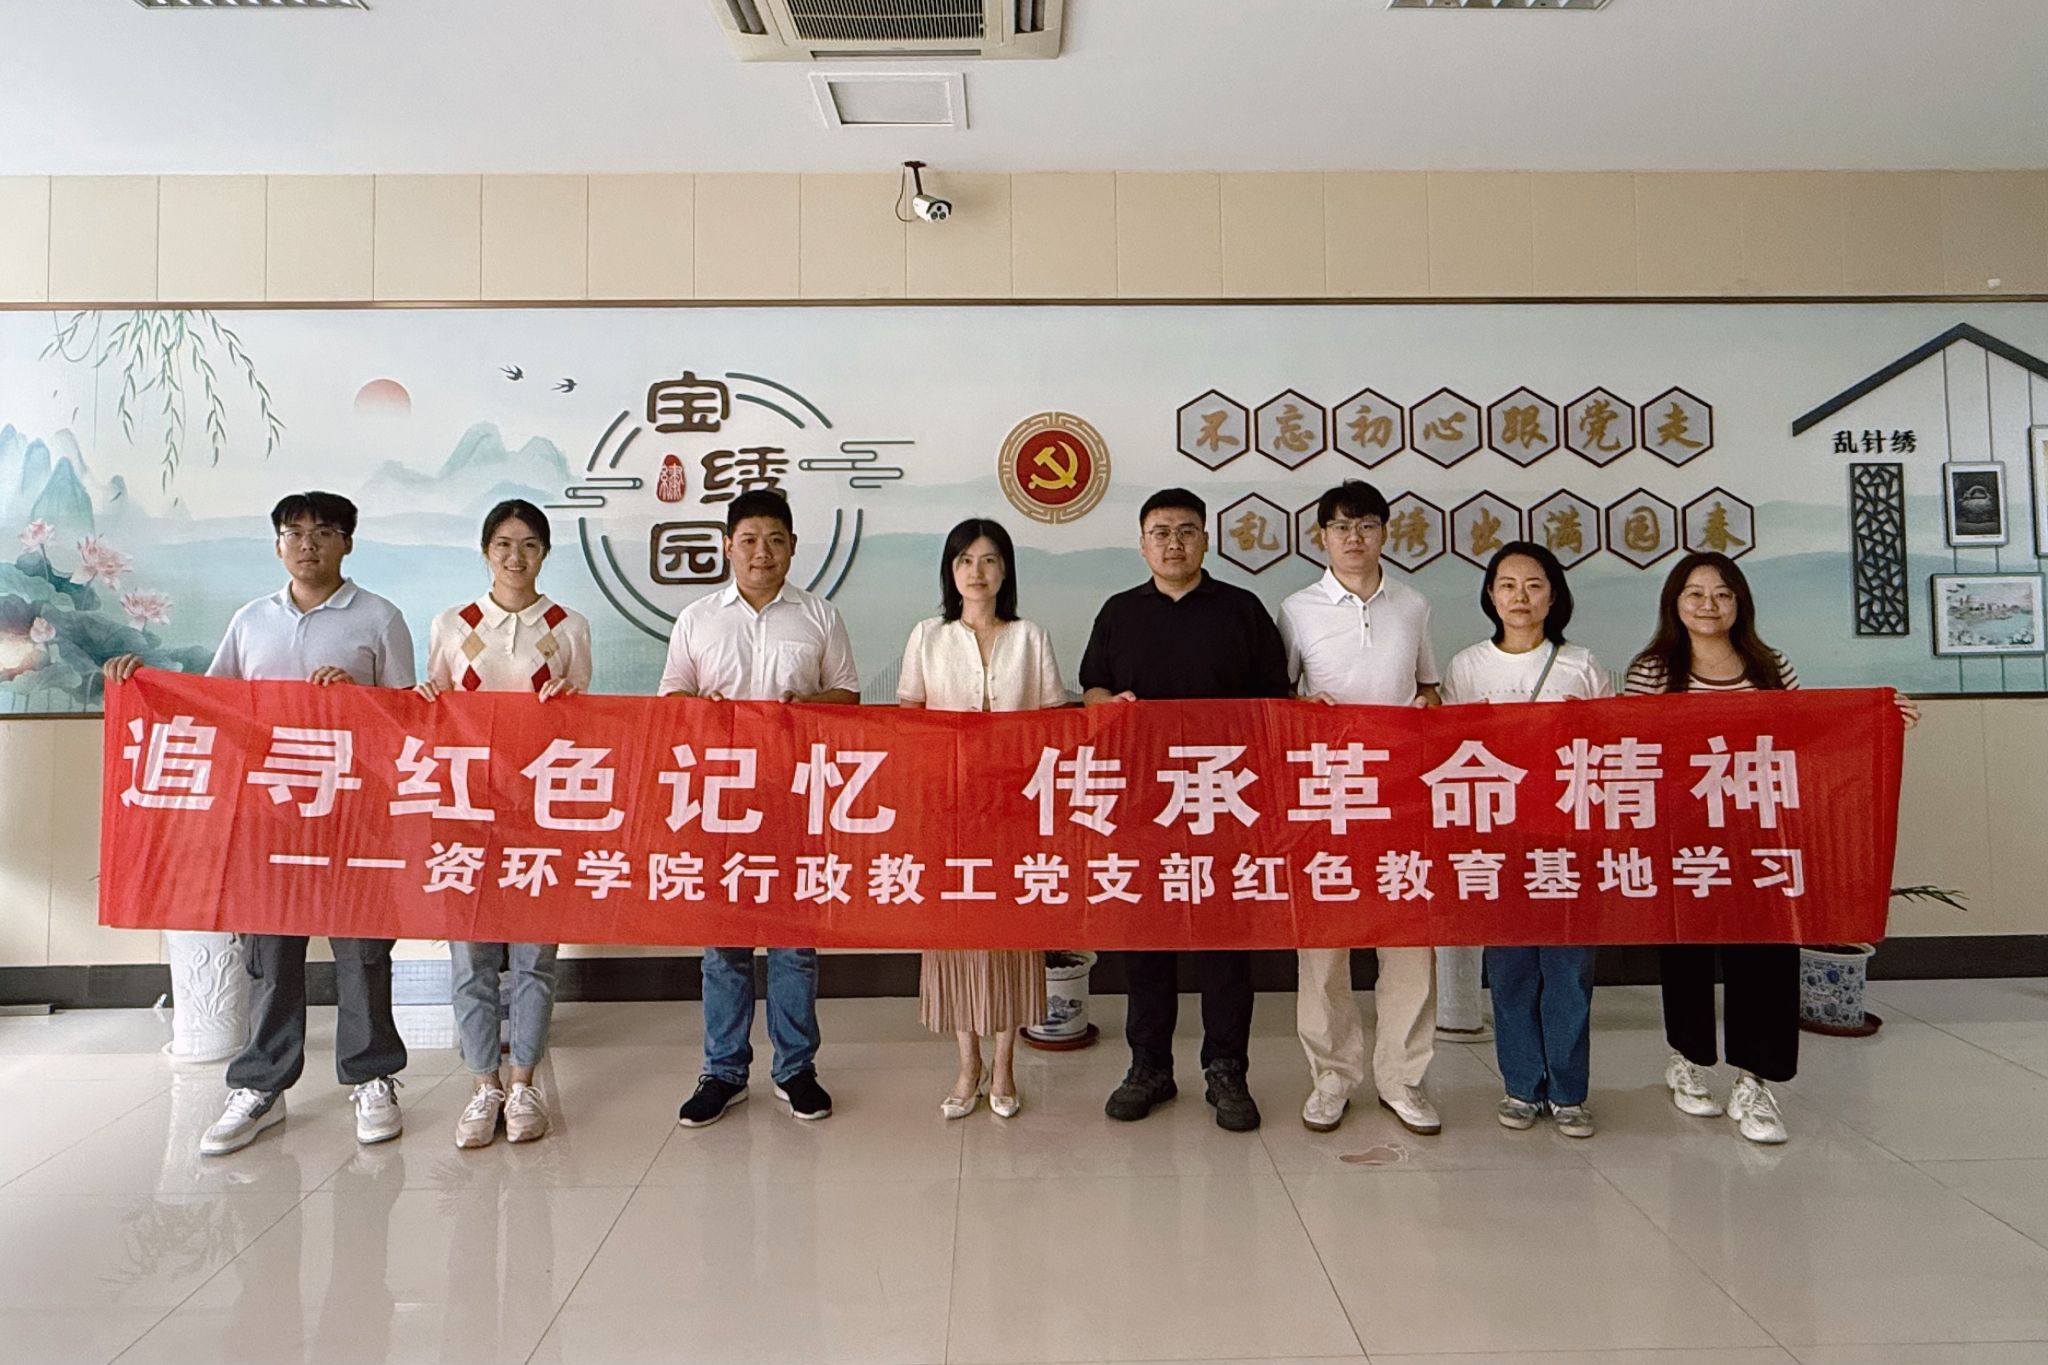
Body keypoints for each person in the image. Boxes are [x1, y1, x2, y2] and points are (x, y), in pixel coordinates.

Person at [104, 491, 415, 1156]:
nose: (308, 544)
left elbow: (408, 722)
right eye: (294, 532)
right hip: (270, 819)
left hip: (354, 817)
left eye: (323, 532)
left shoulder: (379, 617)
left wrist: (357, 702)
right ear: (277, 544)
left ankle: (372, 1076)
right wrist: (140, 682)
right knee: (271, 956)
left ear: (347, 543)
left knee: (363, 953)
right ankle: (261, 1085)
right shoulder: (251, 621)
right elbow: (212, 705)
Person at [1625, 551, 1919, 1145]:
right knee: (1686, 953)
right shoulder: (1653, 669)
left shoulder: (1770, 664)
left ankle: (1755, 1081)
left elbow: (1803, 737)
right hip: (1685, 834)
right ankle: (1688, 1060)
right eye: (1695, 593)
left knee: (1766, 956)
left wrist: (1879, 718)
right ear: (1674, 603)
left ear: (1740, 604)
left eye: (1723, 594)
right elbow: (1634, 747)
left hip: (1762, 834)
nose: (1709, 605)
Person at [1080, 487, 1290, 1132]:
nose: (1174, 543)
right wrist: (1105, 706)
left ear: (1206, 539)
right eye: (1161, 532)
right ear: (1142, 544)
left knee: (1225, 942)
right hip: (1142, 803)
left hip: (1224, 802)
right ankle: (1149, 1066)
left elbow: (1274, 706)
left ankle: (1226, 1069)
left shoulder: (1241, 609)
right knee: (1147, 941)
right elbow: (1092, 691)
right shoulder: (1119, 611)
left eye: (1187, 531)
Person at [660, 488, 859, 1127]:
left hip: (797, 797)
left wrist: (808, 707)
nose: (761, 552)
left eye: (775, 540)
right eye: (748, 540)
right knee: (725, 944)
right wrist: (703, 710)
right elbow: (670, 700)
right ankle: (722, 1071)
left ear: (793, 547)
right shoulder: (697, 619)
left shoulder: (820, 616)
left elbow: (849, 696)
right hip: (720, 802)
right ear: (727, 546)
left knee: (794, 943)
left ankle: (796, 1069)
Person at [415, 500, 591, 1149]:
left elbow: (584, 724)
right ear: (486, 551)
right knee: (470, 954)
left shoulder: (568, 626)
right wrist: (424, 700)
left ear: (545, 553)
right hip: (466, 810)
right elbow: (434, 713)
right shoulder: (452, 624)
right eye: (503, 545)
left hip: (539, 809)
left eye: (529, 545)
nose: (516, 558)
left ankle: (524, 1084)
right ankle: (482, 1083)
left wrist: (571, 704)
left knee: (534, 955)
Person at [1277, 480, 1444, 1135]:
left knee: (1408, 942)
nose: (1354, 538)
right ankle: (1331, 1077)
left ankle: (1403, 1079)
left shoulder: (1414, 604)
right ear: (1321, 536)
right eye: (1341, 527)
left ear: (1384, 533)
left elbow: (1429, 688)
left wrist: (1424, 710)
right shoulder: (1297, 608)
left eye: (1367, 525)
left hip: (1402, 793)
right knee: (1325, 944)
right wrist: (1302, 708)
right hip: (1326, 794)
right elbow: (1279, 699)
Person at [1439, 541, 1608, 1139]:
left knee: (1568, 971)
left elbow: (1608, 752)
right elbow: (1450, 752)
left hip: (1567, 839)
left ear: (1553, 596)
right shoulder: (1467, 667)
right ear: (1490, 595)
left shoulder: (1582, 665)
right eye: (1507, 585)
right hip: (1499, 842)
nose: (1520, 597)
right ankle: (1519, 1086)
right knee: (1510, 969)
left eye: (1534, 585)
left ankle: (1568, 1093)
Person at [898, 517, 1066, 1119]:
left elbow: (1053, 723)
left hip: (1015, 812)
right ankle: (967, 1063)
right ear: (951, 570)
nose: (977, 571)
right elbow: (909, 721)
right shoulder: (928, 636)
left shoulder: (1030, 636)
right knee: (956, 934)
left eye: (990, 560)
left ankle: (1005, 1064)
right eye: (965, 560)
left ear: (1005, 571)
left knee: (1011, 936)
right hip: (948, 812)